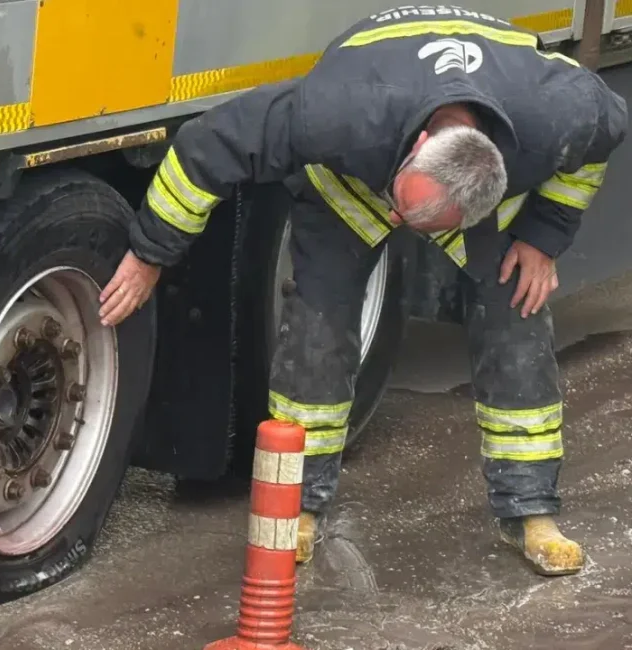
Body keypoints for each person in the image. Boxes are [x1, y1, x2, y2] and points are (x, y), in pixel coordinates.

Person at [98, 5, 627, 576]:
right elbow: (206, 148)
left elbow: (599, 145)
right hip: (350, 186)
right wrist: (150, 253)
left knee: (517, 315)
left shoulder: (560, 117)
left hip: (462, 190)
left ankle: (530, 511)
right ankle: (297, 505)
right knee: (317, 331)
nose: (400, 223)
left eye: (417, 223)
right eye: (402, 205)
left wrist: (544, 236)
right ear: (420, 142)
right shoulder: (337, 111)